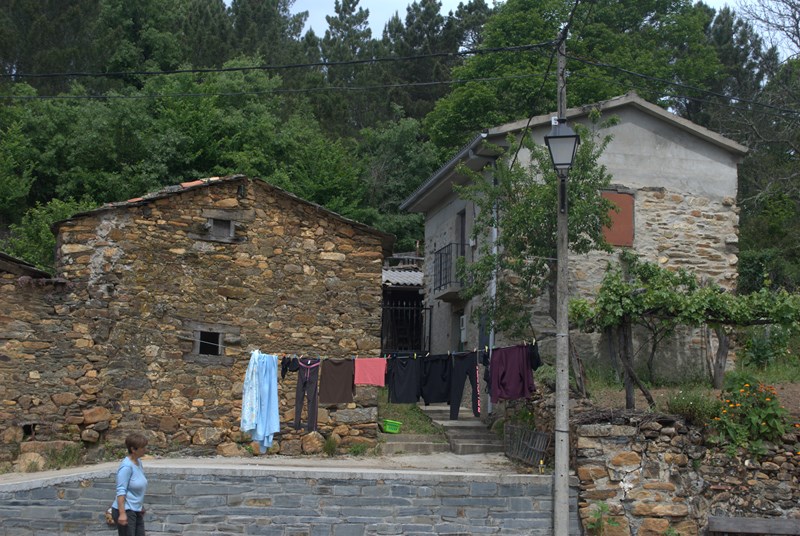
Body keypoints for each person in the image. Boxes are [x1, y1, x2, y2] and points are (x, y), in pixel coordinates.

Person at [111, 433, 148, 536]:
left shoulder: (138, 462)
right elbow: (121, 491)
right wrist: (122, 514)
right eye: (142, 448)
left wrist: (140, 506)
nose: (145, 450)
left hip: (136, 509)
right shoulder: (126, 467)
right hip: (126, 510)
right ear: (133, 449)